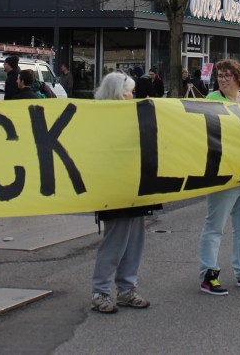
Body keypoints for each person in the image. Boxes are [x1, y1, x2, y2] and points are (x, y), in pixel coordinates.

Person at [89, 71, 160, 313]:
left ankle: (126, 289)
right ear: (119, 94)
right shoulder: (99, 118)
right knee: (116, 240)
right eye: (129, 91)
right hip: (114, 186)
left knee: (134, 240)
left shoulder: (132, 114)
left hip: (134, 184)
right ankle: (100, 292)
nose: (133, 95)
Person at [197, 59, 240, 295]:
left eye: (228, 75)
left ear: (239, 78)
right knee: (215, 226)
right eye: (220, 75)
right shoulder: (211, 101)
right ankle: (208, 273)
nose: (223, 79)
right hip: (224, 173)